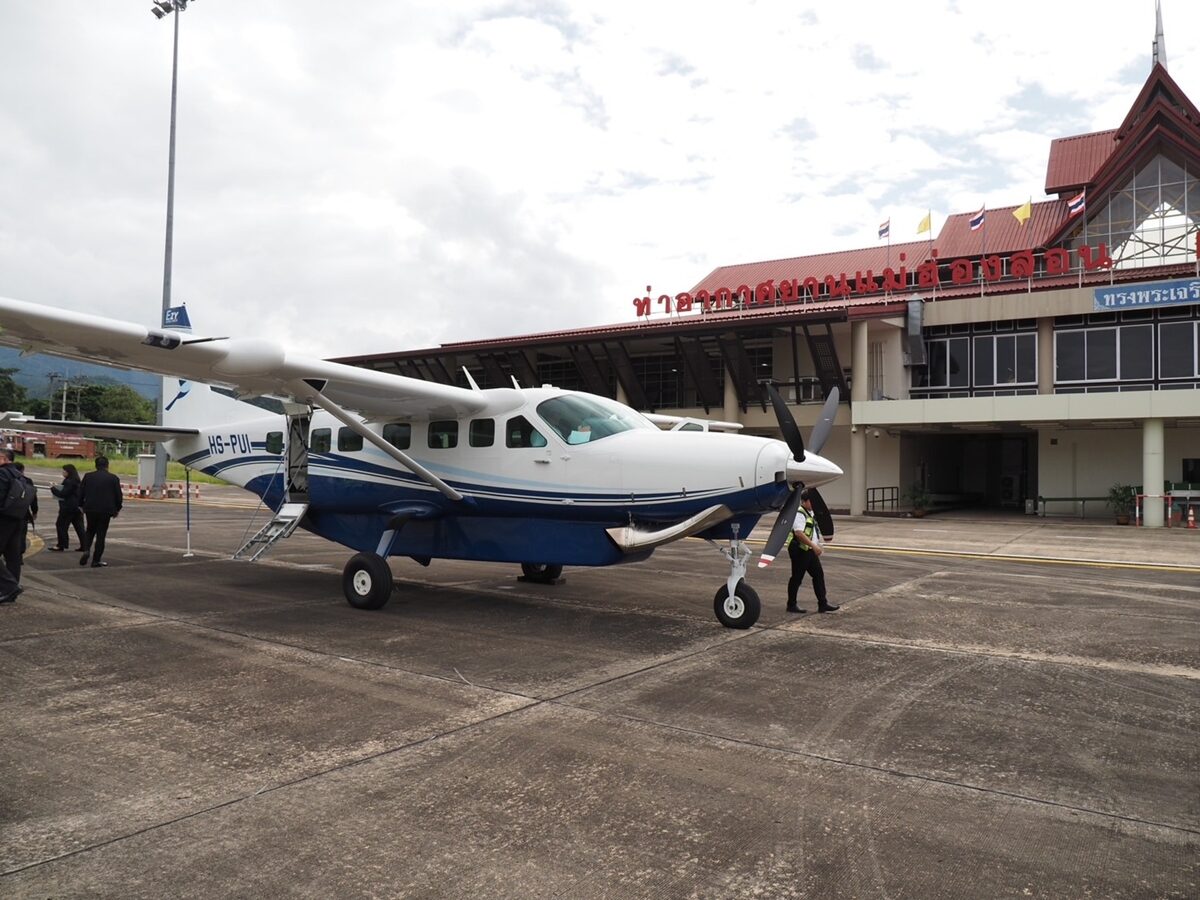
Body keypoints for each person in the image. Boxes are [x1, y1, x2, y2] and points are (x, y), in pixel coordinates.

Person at [786, 488, 839, 614]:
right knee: (797, 578)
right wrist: (813, 546)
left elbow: (812, 532)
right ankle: (791, 604)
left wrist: (817, 544)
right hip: (800, 551)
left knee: (818, 575)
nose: (813, 504)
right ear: (804, 501)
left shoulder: (811, 513)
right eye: (811, 501)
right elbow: (799, 533)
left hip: (809, 550)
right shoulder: (800, 513)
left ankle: (823, 603)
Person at [79, 456, 123, 569]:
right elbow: (118, 496)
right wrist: (117, 509)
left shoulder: (88, 476)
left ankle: (86, 550)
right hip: (106, 510)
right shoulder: (113, 478)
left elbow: (81, 492)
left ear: (95, 465)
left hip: (90, 508)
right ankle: (96, 560)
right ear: (107, 465)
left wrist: (81, 506)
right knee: (101, 535)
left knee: (89, 531)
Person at [0, 451, 27, 603]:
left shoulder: (2, 474)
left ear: (3, 458)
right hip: (16, 518)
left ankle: (9, 586)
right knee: (13, 556)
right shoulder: (18, 473)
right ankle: (11, 589)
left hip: (3, 519)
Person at [50, 463, 86, 551]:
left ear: (68, 472)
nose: (62, 472)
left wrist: (53, 488)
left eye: (64, 471)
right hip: (77, 507)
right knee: (79, 527)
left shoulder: (69, 481)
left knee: (61, 525)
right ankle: (85, 545)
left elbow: (63, 493)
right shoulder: (77, 481)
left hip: (68, 507)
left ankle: (61, 544)